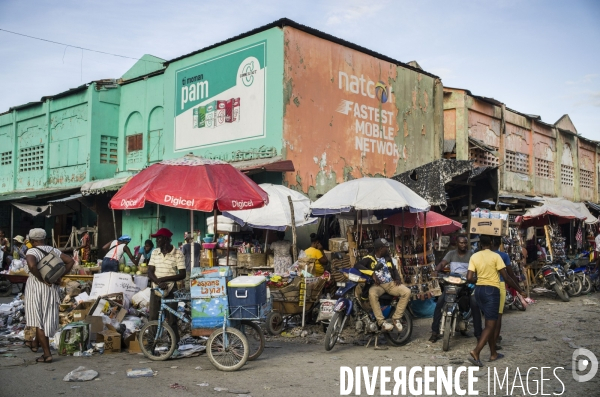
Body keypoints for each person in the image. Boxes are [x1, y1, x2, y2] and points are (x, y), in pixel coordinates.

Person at [466, 235, 524, 367]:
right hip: (492, 291)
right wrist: (520, 290)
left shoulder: (474, 257)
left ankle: (493, 353)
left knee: (488, 322)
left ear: (480, 244)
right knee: (491, 325)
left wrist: (480, 279)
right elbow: (507, 278)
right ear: (491, 243)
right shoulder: (496, 256)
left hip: (479, 291)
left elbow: (469, 277)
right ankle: (476, 352)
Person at [23, 228, 75, 363]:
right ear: (43, 238)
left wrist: (42, 279)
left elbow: (32, 265)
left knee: (39, 322)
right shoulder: (53, 250)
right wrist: (58, 277)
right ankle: (35, 344)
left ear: (31, 240)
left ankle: (47, 354)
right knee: (46, 319)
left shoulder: (31, 251)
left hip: (37, 288)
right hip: (52, 289)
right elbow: (70, 261)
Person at [429, 234, 482, 343]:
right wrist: (436, 271)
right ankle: (434, 332)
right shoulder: (451, 254)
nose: (463, 245)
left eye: (465, 242)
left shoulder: (471, 255)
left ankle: (478, 333)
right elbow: (442, 264)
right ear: (457, 244)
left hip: (465, 283)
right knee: (440, 303)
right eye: (461, 242)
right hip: (452, 283)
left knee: (473, 303)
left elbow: (476, 269)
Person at [354, 238, 411, 332]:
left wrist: (397, 279)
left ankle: (396, 318)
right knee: (372, 294)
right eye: (386, 247)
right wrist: (371, 273)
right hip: (377, 285)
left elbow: (394, 269)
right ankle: (381, 322)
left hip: (391, 284)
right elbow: (357, 266)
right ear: (380, 249)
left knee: (407, 292)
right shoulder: (369, 258)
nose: (388, 249)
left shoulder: (387, 257)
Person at [148, 228, 186, 344]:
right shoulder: (155, 252)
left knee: (172, 320)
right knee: (153, 317)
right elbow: (150, 271)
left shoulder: (178, 254)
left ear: (165, 239)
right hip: (156, 288)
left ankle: (173, 345)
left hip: (171, 289)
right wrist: (159, 282)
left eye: (158, 238)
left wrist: (165, 279)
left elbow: (182, 274)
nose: (157, 241)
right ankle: (151, 344)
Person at [491, 236, 521, 349]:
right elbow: (510, 274)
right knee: (498, 315)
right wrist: (518, 288)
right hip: (499, 285)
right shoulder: (503, 256)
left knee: (488, 315)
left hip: (484, 286)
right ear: (499, 244)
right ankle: (495, 340)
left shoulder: (480, 255)